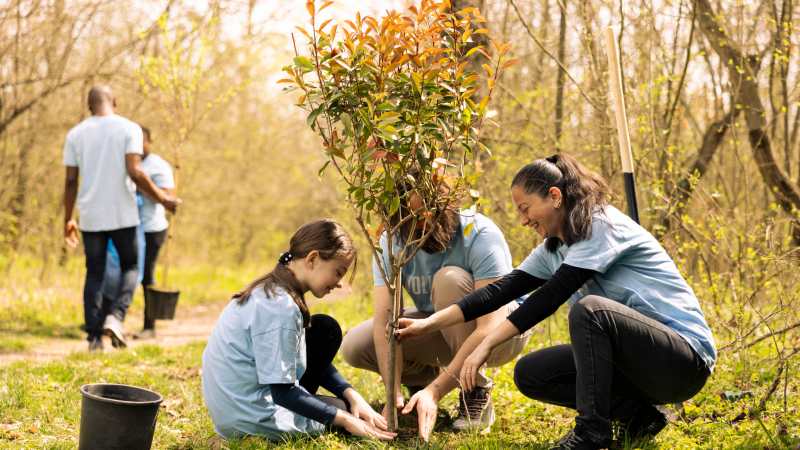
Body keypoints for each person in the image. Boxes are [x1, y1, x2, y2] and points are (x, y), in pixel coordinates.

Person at [396, 153, 716, 449]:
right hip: (640, 363)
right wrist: (430, 322)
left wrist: (485, 344)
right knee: (532, 373)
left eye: (525, 208)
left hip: (683, 361)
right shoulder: (555, 246)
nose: (523, 220)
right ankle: (640, 416)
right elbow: (501, 290)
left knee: (590, 310)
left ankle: (592, 431)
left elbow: (550, 297)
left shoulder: (600, 224)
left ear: (554, 196)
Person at [341, 183, 529, 440]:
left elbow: (489, 325)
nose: (423, 225)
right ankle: (419, 381)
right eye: (413, 219)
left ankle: (474, 389)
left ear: (447, 204)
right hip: (441, 328)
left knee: (448, 280)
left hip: (503, 332)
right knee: (355, 345)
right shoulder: (392, 240)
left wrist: (435, 392)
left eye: (430, 214)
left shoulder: (479, 232)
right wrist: (392, 393)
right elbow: (385, 322)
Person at [202, 219, 395, 442]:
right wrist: (345, 419)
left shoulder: (273, 290)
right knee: (344, 415)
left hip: (236, 409)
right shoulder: (280, 308)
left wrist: (351, 394)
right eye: (338, 272)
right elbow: (283, 392)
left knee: (324, 330)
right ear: (312, 259)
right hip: (249, 417)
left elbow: (296, 356)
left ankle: (337, 407)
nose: (339, 283)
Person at [63, 85, 179, 351]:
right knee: (131, 267)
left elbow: (70, 182)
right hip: (123, 216)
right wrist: (164, 199)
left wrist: (68, 220)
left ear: (88, 105)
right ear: (115, 101)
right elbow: (135, 172)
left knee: (94, 273)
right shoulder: (129, 129)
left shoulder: (75, 134)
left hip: (91, 216)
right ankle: (116, 317)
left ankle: (93, 338)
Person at [134, 126, 176, 339]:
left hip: (152, 228)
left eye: (140, 140)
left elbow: (170, 198)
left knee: (147, 276)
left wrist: (141, 185)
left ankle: (149, 326)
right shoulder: (127, 160)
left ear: (149, 141)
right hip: (127, 226)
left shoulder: (158, 166)